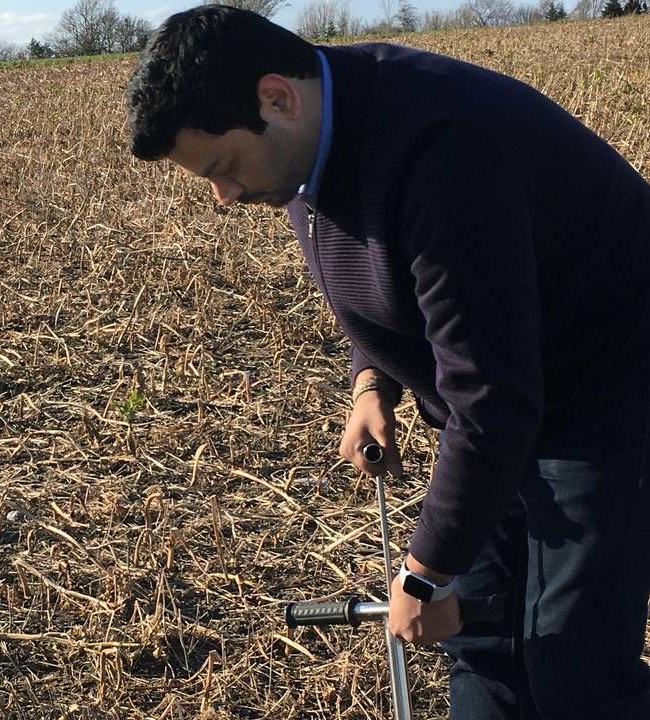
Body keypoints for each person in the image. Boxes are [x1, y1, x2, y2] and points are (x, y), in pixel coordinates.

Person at [125, 6, 650, 719]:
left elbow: (493, 399)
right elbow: (385, 278)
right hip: (510, 394)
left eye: (222, 168)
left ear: (276, 97)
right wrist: (373, 378)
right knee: (485, 640)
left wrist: (425, 573)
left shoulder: (443, 149)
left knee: (574, 669)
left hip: (607, 382)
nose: (225, 195)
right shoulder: (308, 144)